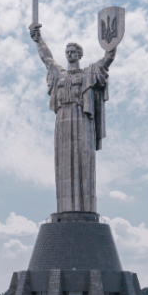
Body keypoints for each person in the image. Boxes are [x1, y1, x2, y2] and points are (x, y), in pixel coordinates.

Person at [29, 24, 116, 213]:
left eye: (73, 51)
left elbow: (108, 59)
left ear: (80, 55)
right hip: (62, 120)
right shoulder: (58, 74)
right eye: (67, 51)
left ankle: (85, 209)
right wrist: (38, 40)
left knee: (84, 160)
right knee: (63, 163)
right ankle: (65, 209)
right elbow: (47, 58)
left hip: (82, 118)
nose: (69, 54)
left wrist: (112, 43)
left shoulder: (89, 73)